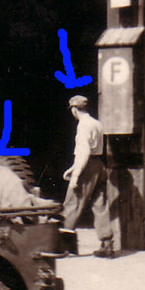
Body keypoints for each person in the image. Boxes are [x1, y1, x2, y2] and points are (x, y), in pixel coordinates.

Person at [61, 94, 113, 258]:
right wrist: (73, 167)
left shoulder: (83, 125)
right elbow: (92, 150)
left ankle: (65, 246)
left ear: (75, 109)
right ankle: (107, 244)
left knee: (72, 203)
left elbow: (84, 152)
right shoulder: (97, 124)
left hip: (87, 167)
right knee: (100, 204)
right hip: (99, 165)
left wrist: (76, 175)